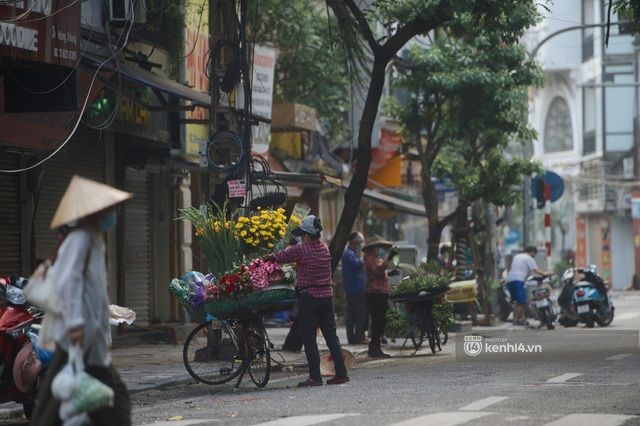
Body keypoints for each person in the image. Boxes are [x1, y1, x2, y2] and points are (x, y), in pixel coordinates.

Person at [31, 175, 133, 426]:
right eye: (108, 208)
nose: (113, 212)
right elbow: (69, 284)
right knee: (116, 403)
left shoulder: (92, 239)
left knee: (57, 404)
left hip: (87, 339)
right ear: (95, 211)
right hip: (80, 337)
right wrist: (76, 323)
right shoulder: (81, 240)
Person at [265, 215, 349, 387]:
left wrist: (267, 258)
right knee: (331, 337)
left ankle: (315, 377)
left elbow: (281, 256)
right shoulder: (324, 248)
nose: (302, 236)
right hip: (327, 297)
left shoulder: (302, 249)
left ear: (307, 235)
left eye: (303, 234)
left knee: (309, 338)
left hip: (309, 297)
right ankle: (341, 373)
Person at [363, 234, 395, 358]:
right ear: (375, 247)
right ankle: (374, 347)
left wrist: (390, 273)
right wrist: (389, 259)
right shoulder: (370, 258)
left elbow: (381, 272)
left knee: (380, 321)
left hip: (381, 292)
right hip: (375, 293)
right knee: (377, 321)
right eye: (380, 247)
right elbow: (377, 271)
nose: (382, 249)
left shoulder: (376, 258)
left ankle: (375, 346)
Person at [506, 246, 552, 326]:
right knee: (522, 301)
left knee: (517, 301)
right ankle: (517, 319)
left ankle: (519, 319)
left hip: (510, 279)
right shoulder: (528, 258)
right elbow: (536, 270)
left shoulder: (517, 256)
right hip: (518, 280)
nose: (534, 255)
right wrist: (546, 273)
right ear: (531, 252)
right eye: (534, 253)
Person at [341, 232, 367, 345]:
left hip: (353, 288)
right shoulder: (349, 254)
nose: (361, 246)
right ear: (354, 243)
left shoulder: (352, 253)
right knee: (360, 314)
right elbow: (356, 264)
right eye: (359, 243)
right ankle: (359, 337)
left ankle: (352, 338)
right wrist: (363, 259)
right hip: (355, 288)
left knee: (351, 315)